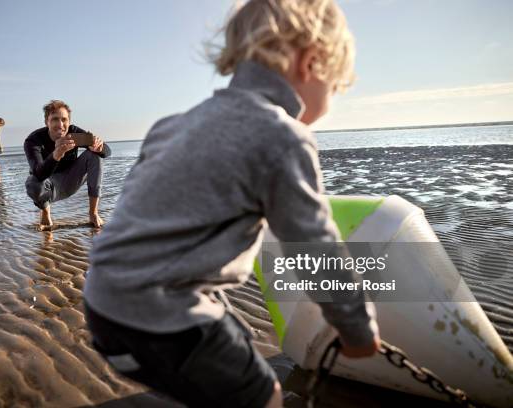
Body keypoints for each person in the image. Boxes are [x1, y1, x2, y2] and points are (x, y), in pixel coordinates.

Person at [84, 1, 380, 407]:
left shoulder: (173, 126)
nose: (333, 97)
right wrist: (356, 329)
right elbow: (314, 247)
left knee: (223, 364)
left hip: (102, 304)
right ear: (311, 63)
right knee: (264, 396)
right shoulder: (283, 136)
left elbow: (155, 234)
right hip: (159, 316)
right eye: (335, 86)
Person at [24, 100, 111, 229]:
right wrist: (57, 154)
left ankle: (93, 213)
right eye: (54, 119)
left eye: (64, 119)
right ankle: (45, 211)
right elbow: (38, 173)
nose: (60, 124)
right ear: (46, 122)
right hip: (47, 187)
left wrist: (99, 147)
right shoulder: (33, 140)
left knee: (94, 156)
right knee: (32, 183)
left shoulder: (74, 132)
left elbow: (107, 151)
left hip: (71, 181)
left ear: (69, 122)